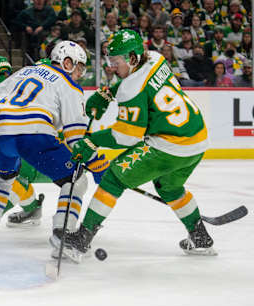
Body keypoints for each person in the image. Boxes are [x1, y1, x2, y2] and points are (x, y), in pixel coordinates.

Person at [57, 29, 215, 262]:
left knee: (113, 179)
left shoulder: (132, 87)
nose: (112, 67)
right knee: (169, 187)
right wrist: (108, 93)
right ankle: (199, 236)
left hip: (168, 145)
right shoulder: (154, 57)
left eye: (116, 61)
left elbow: (126, 137)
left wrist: (92, 140)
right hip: (198, 139)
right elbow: (138, 85)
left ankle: (82, 240)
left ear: (132, 58)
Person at [0, 41, 91, 251]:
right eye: (79, 67)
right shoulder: (69, 84)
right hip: (34, 138)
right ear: (67, 62)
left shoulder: (27, 71)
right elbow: (76, 137)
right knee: (76, 179)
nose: (80, 73)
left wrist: (9, 122)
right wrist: (92, 159)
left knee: (2, 179)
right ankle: (64, 236)